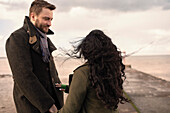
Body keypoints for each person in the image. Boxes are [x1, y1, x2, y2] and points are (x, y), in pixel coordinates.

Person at [5, 0, 63, 113]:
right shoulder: (17, 38)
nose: (50, 23)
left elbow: (51, 73)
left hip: (54, 103)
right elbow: (23, 76)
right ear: (33, 16)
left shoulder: (44, 39)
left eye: (51, 19)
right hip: (32, 106)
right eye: (46, 19)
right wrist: (47, 104)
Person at [56, 29, 129, 113]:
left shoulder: (83, 73)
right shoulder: (110, 71)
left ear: (86, 50)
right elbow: (94, 93)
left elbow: (70, 109)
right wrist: (68, 88)